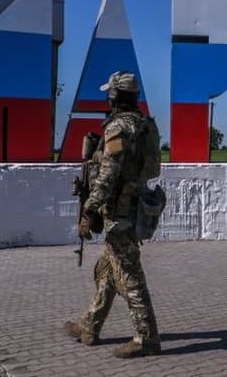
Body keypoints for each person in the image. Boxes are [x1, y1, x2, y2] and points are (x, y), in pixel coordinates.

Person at [63, 71, 161, 358]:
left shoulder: (117, 128)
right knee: (106, 271)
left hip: (119, 213)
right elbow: (150, 169)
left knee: (130, 275)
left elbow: (107, 176)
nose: (108, 98)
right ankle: (89, 327)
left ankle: (147, 338)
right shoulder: (145, 125)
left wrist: (89, 209)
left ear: (116, 96)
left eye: (110, 94)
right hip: (135, 207)